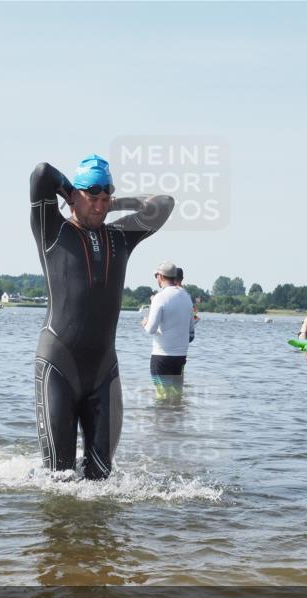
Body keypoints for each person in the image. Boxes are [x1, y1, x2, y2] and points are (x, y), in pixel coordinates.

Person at [31, 154, 174, 479]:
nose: (99, 206)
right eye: (92, 198)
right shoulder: (52, 231)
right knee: (59, 480)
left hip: (103, 374)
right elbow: (42, 174)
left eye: (105, 199)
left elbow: (164, 204)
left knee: (101, 477)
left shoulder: (120, 236)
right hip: (57, 368)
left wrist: (116, 200)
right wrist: (68, 190)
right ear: (73, 198)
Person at [143, 262, 195, 400]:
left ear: (160, 276)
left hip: (161, 356)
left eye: (156, 276)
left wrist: (145, 322)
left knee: (162, 399)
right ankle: (176, 420)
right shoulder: (186, 297)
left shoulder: (159, 297)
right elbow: (191, 331)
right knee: (176, 398)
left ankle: (162, 421)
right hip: (180, 357)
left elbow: (151, 329)